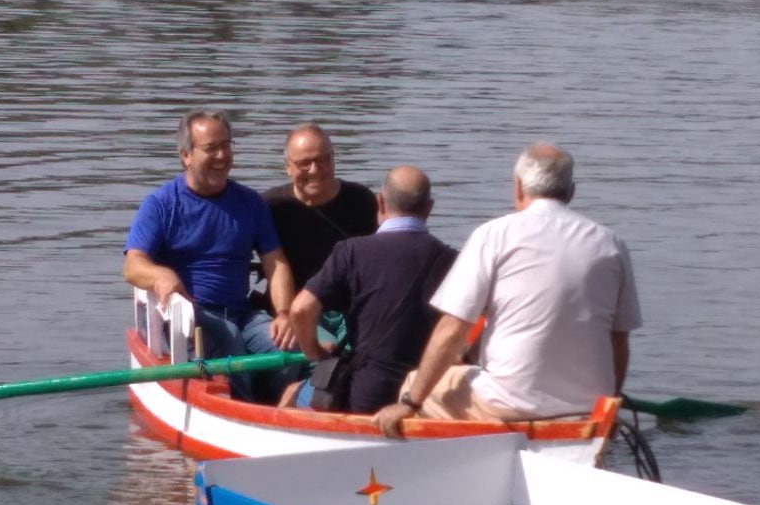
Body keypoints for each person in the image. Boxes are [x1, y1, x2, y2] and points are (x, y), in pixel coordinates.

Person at [373, 142, 642, 438]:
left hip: (508, 405)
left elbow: (451, 331)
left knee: (414, 383)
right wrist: (610, 408)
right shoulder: (611, 244)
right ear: (571, 192)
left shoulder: (493, 235)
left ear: (518, 188)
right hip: (589, 411)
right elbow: (619, 339)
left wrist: (410, 403)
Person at [123, 108, 297, 403]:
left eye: (226, 146)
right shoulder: (161, 204)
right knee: (228, 339)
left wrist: (284, 314)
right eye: (211, 148)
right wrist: (161, 274)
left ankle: (277, 408)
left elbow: (276, 264)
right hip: (191, 318)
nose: (221, 156)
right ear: (186, 155)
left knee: (292, 349)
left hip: (241, 313)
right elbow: (132, 265)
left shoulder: (250, 202)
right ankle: (242, 409)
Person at [286, 166, 457, 414]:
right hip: (425, 398)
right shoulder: (452, 261)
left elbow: (301, 309)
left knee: (292, 392)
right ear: (429, 208)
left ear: (380, 202)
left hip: (367, 395)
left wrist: (314, 351)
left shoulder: (351, 252)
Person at [262, 123, 379, 291]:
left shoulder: (362, 201)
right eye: (304, 163)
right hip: (288, 308)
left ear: (333, 159)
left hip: (348, 307)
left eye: (323, 160)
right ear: (288, 166)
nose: (314, 170)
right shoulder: (270, 206)